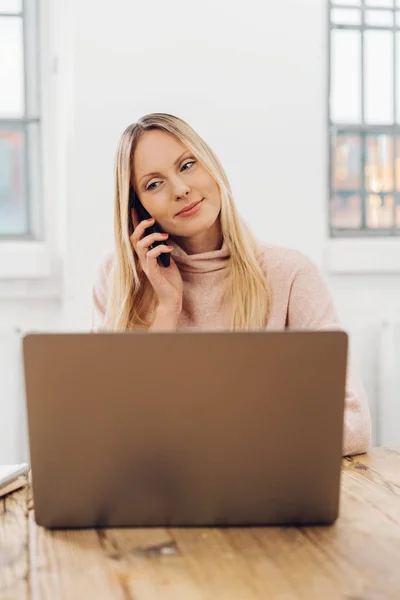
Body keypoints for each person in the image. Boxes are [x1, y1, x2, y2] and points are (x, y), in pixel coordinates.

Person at [92, 112, 371, 457]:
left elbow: (353, 425)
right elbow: (114, 431)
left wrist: (221, 442)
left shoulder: (289, 274)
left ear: (212, 165)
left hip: (261, 484)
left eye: (187, 164)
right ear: (138, 211)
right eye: (154, 184)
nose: (181, 189)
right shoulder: (119, 282)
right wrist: (166, 309)